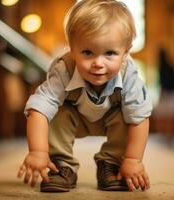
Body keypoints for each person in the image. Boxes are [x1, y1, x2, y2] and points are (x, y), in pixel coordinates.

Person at [17, 0, 152, 192]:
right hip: (74, 118)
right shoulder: (64, 68)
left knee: (128, 115)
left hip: (112, 119)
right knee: (54, 112)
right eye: (88, 52)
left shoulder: (129, 74)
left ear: (125, 53)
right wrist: (38, 152)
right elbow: (38, 108)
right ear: (72, 49)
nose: (98, 63)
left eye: (110, 53)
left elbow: (139, 117)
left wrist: (133, 160)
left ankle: (111, 164)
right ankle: (62, 165)